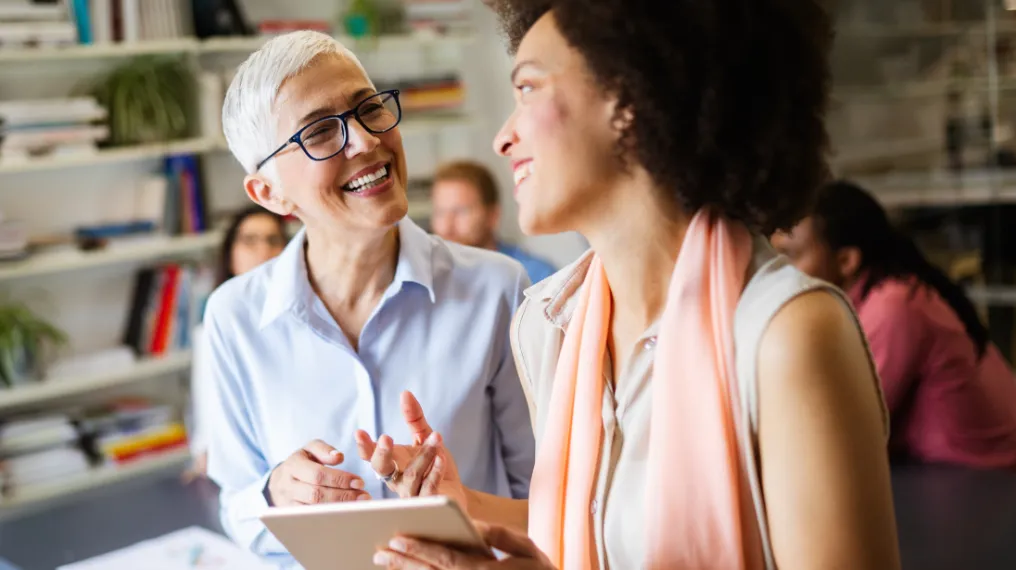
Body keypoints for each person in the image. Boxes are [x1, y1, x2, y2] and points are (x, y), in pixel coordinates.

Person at [360, 1, 901, 569]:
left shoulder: (786, 334)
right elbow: (602, 524)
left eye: (527, 89)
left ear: (628, 97)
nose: (503, 138)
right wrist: (464, 504)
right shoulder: (549, 325)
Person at [204, 30, 536, 565]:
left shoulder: (498, 290)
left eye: (369, 109)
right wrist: (274, 493)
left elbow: (549, 501)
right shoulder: (233, 317)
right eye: (319, 132)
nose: (364, 141)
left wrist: (464, 510)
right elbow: (237, 507)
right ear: (268, 193)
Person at [772, 180, 1016, 469]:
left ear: (846, 260)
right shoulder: (894, 289)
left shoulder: (894, 308)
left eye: (792, 256)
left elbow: (845, 431)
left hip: (986, 478)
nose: (781, 274)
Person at [185, 205, 288, 480]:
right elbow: (206, 398)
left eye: (273, 240)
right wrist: (203, 451)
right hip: (238, 468)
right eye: (249, 241)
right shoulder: (213, 325)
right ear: (231, 255)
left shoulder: (298, 320)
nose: (263, 251)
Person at [431, 160, 556, 284]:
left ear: (492, 216)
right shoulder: (428, 278)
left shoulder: (536, 277)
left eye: (461, 211)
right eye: (440, 212)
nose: (447, 226)